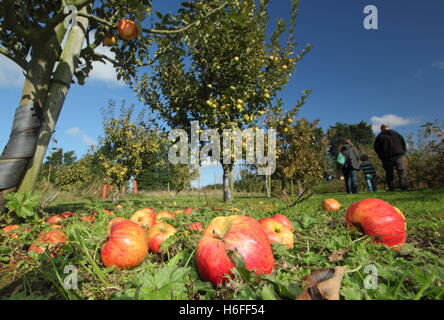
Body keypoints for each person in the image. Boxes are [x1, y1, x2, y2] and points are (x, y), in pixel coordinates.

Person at [374, 124, 409, 191]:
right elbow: (403, 143)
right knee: (401, 171)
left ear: (381, 129)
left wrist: (381, 156)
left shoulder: (380, 136)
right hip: (398, 155)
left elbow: (377, 148)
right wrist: (402, 152)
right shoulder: (397, 134)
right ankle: (404, 186)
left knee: (389, 173)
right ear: (388, 128)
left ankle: (391, 187)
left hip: (386, 157)